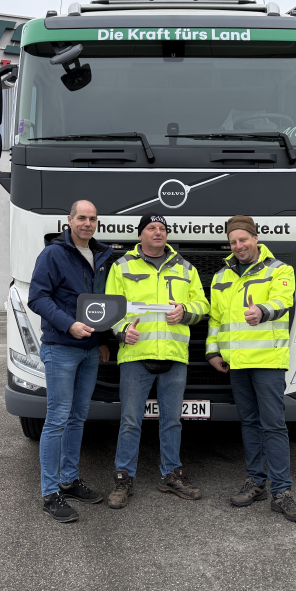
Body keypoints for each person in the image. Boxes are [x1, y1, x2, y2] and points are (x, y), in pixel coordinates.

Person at [206, 215, 296, 522]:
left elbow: (283, 300)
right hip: (237, 364)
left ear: (255, 239)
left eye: (243, 239)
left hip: (267, 362)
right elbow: (216, 319)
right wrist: (213, 352)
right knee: (249, 423)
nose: (238, 246)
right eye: (233, 241)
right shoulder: (221, 276)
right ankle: (256, 482)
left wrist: (262, 311)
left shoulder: (279, 269)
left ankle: (282, 492)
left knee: (273, 425)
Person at [105, 214, 209, 509]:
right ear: (140, 235)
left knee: (172, 421)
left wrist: (185, 311)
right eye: (151, 228)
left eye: (162, 228)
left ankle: (171, 475)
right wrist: (123, 330)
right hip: (136, 355)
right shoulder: (122, 266)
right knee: (130, 421)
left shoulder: (186, 268)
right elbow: (111, 308)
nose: (158, 232)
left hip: (174, 355)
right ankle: (123, 479)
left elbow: (203, 305)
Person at [28, 200, 113, 523]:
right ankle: (50, 493)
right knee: (57, 419)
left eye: (92, 218)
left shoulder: (100, 255)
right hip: (61, 346)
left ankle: (69, 480)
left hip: (90, 349)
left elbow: (101, 305)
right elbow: (38, 297)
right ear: (69, 220)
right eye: (81, 218)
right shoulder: (53, 254)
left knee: (78, 417)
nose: (87, 223)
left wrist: (101, 340)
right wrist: (69, 325)